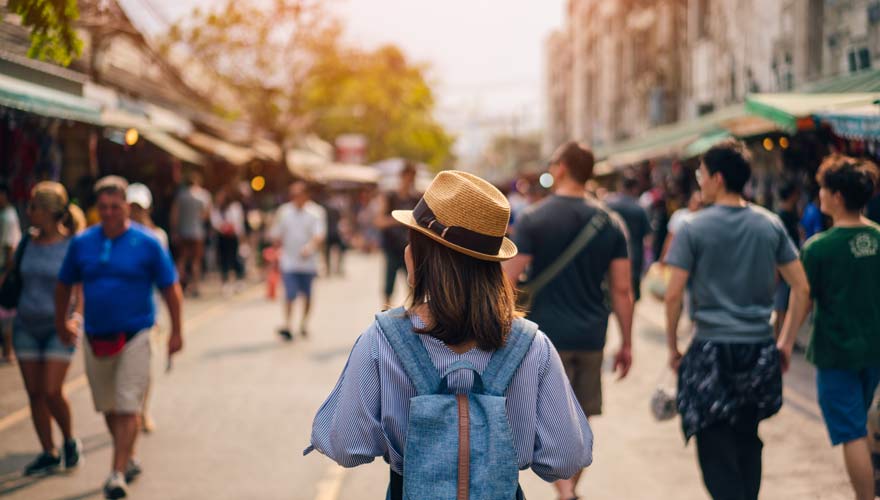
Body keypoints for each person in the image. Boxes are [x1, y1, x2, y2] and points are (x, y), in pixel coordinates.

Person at [306, 170, 592, 499]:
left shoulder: (382, 340)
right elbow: (566, 457)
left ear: (416, 257)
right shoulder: (532, 346)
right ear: (491, 266)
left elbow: (344, 446)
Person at [664, 140, 809, 500]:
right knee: (747, 435)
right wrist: (785, 342)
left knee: (713, 440)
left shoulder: (693, 228)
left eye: (701, 174)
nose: (699, 181)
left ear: (716, 177)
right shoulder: (770, 224)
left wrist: (673, 345)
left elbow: (672, 295)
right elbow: (802, 288)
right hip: (758, 348)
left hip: (711, 348)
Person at [503, 141, 633, 500]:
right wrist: (627, 342)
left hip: (545, 338)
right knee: (581, 420)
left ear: (560, 168)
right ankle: (570, 488)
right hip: (592, 335)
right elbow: (622, 290)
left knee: (546, 417)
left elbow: (507, 279)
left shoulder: (534, 218)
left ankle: (563, 490)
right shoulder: (611, 222)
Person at [57, 176, 183, 500]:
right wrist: (62, 321)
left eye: (116, 206)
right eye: (103, 208)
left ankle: (116, 473)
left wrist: (177, 332)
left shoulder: (148, 242)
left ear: (126, 206)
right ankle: (128, 456)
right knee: (109, 407)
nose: (110, 213)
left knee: (128, 404)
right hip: (95, 336)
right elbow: (64, 284)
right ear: (97, 210)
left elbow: (171, 288)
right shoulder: (83, 243)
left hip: (137, 334)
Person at [777, 155, 880, 500]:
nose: (818, 194)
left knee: (850, 432)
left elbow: (801, 298)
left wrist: (786, 343)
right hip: (874, 351)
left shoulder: (819, 248)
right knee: (860, 423)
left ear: (836, 196)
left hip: (836, 353)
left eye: (822, 188)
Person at [13, 182, 86, 475]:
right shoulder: (26, 242)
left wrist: (76, 318)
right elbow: (13, 276)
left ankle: (69, 440)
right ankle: (48, 451)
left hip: (60, 325)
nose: (28, 212)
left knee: (52, 390)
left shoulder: (73, 245)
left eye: (33, 207)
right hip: (26, 324)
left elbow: (81, 288)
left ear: (49, 212)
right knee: (34, 393)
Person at [126, 183, 170, 434]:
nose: (134, 211)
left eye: (138, 207)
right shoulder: (117, 236)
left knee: (146, 363)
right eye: (131, 206)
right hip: (123, 310)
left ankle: (143, 410)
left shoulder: (157, 237)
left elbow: (165, 278)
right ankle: (129, 411)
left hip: (151, 309)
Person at [270, 181, 326, 341]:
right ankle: (288, 324)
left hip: (308, 262)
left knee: (307, 295)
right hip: (289, 261)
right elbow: (276, 233)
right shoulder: (284, 211)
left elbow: (319, 234)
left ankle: (303, 323)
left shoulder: (316, 212)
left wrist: (310, 247)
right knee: (289, 294)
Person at [374, 162, 421, 308]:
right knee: (389, 286)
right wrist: (400, 220)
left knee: (414, 285)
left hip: (410, 247)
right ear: (402, 176)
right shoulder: (390, 197)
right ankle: (385, 314)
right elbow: (379, 221)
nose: (409, 180)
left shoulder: (416, 198)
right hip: (392, 248)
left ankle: (413, 315)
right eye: (407, 176)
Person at [606, 173, 652, 302]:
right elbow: (648, 238)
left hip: (610, 256)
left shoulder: (609, 205)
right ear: (635, 189)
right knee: (631, 295)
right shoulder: (639, 208)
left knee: (611, 293)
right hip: (634, 256)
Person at [170, 171, 211, 297]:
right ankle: (196, 287)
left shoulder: (181, 196)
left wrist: (174, 231)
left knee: (182, 260)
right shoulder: (203, 195)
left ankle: (177, 285)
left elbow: (174, 215)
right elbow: (206, 215)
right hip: (197, 232)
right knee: (196, 261)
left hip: (183, 232)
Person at [774, 180, 801, 338]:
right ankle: (781, 336)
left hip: (788, 264)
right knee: (782, 304)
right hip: (784, 266)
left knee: (783, 303)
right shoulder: (783, 216)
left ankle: (781, 335)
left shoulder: (789, 214)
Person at [211, 188, 246, 295]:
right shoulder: (216, 209)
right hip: (222, 237)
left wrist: (239, 235)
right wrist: (222, 227)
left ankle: (239, 280)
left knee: (236, 258)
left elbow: (239, 223)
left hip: (233, 237)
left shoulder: (235, 207)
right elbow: (215, 222)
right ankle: (225, 283)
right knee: (224, 259)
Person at [0, 182, 21, 363]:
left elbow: (9, 247)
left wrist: (5, 273)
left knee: (5, 311)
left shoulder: (8, 217)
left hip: (4, 269)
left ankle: (8, 350)